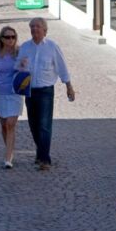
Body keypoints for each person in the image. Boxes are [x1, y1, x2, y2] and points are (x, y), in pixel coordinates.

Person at [17, 17, 75, 171]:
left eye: (38, 27)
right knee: (33, 124)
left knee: (44, 125)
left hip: (45, 90)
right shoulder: (24, 47)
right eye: (32, 27)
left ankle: (44, 159)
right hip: (29, 90)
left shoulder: (52, 47)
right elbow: (18, 68)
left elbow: (62, 66)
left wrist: (68, 86)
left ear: (45, 30)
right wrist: (20, 66)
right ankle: (40, 151)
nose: (35, 29)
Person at [0, 26, 24, 168]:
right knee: (3, 125)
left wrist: (24, 65)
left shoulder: (20, 53)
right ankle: (10, 149)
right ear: (2, 39)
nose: (11, 39)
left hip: (15, 93)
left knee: (10, 124)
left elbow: (26, 71)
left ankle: (8, 158)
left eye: (13, 37)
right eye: (7, 37)